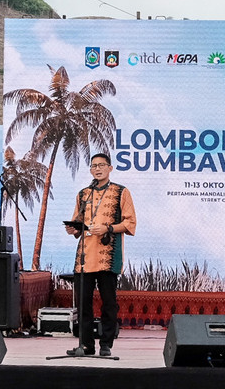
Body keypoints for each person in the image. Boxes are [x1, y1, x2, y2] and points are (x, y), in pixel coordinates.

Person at [65, 153, 136, 357]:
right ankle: (86, 345)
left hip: (108, 255)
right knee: (83, 304)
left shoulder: (121, 192)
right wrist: (73, 229)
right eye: (94, 166)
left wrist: (108, 228)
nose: (97, 169)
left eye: (101, 165)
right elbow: (78, 223)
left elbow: (130, 223)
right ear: (90, 170)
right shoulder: (83, 194)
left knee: (109, 303)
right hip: (85, 256)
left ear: (110, 168)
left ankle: (106, 344)